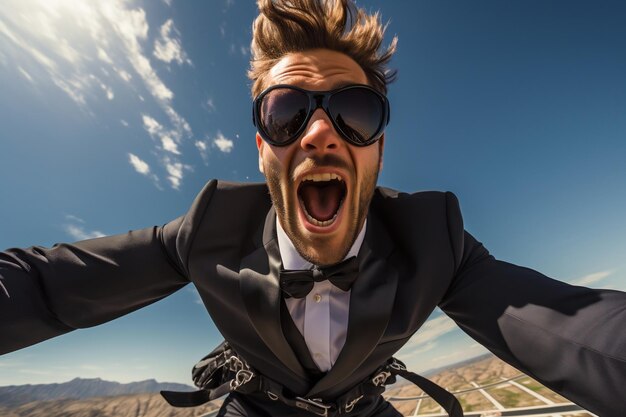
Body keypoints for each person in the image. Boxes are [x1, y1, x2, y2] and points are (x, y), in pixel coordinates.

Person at [1, 0, 625, 416]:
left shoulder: (434, 238)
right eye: (285, 112)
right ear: (262, 148)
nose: (318, 134)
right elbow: (50, 286)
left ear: (378, 149)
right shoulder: (208, 230)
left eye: (353, 112)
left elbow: (570, 326)